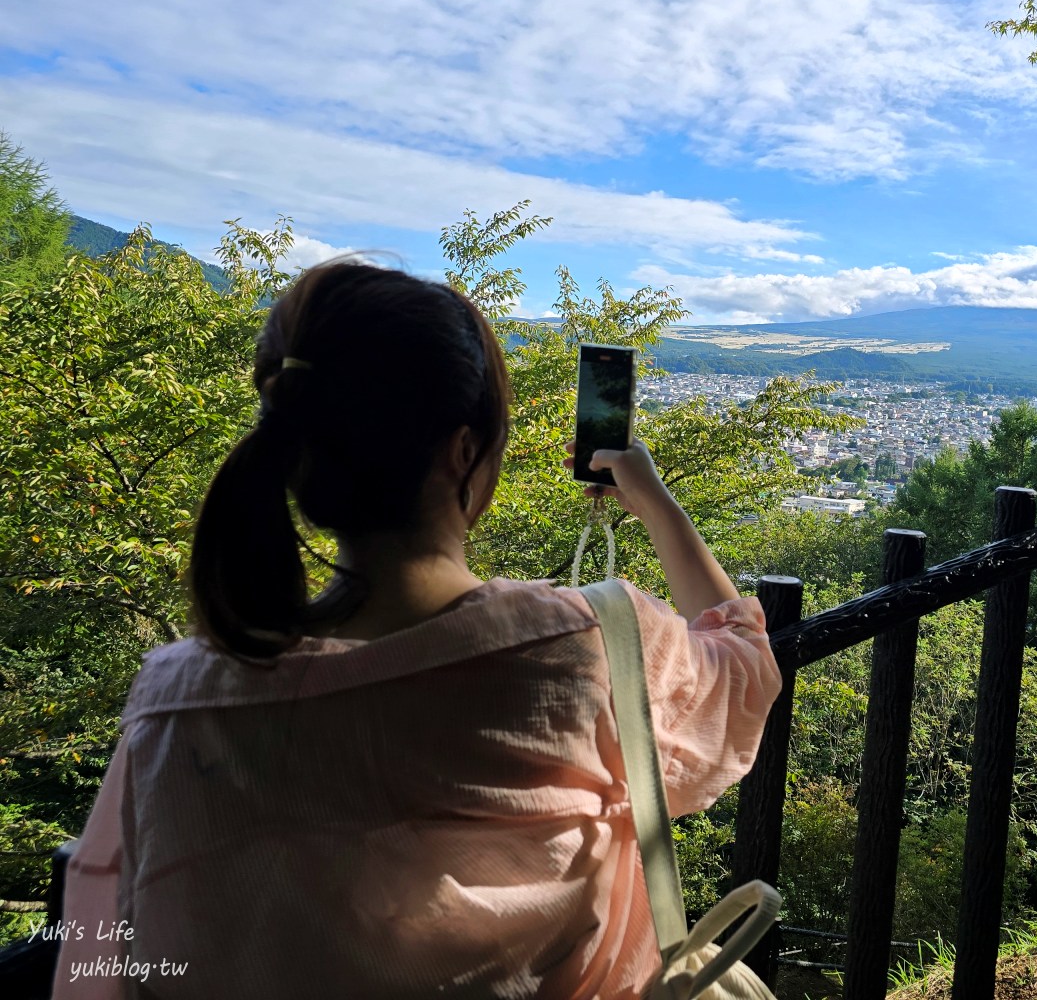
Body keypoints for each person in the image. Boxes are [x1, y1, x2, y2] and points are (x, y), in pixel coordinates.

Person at [51, 261, 781, 998]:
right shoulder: (585, 648)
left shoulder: (178, 701)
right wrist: (656, 504)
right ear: (465, 450)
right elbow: (747, 665)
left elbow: (104, 929)